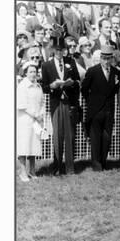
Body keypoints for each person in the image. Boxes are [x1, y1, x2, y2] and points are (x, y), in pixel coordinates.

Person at [41, 44, 81, 175]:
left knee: (70, 135)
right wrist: (52, 86)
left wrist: (71, 83)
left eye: (61, 50)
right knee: (57, 135)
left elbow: (77, 81)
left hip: (68, 102)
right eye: (57, 50)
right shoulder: (46, 65)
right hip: (56, 103)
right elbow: (45, 87)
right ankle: (57, 166)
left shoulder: (70, 62)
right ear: (53, 50)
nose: (59, 52)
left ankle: (70, 167)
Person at [80, 45, 120, 171]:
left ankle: (103, 162)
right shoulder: (93, 71)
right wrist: (91, 102)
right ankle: (96, 165)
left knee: (107, 138)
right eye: (104, 58)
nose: (106, 61)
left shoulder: (115, 72)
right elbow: (84, 89)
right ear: (100, 58)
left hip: (109, 110)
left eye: (109, 59)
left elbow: (115, 90)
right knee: (95, 138)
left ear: (112, 59)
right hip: (95, 110)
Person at [17, 63, 45, 181]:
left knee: (34, 146)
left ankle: (32, 171)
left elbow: (42, 102)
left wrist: (41, 115)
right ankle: (23, 172)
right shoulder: (22, 86)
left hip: (36, 121)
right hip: (25, 120)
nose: (33, 74)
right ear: (25, 73)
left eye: (35, 71)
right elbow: (22, 105)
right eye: (31, 71)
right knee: (24, 146)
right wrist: (35, 115)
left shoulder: (38, 86)